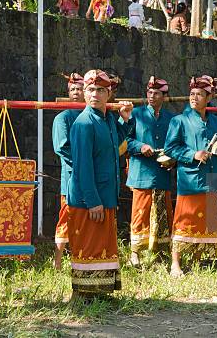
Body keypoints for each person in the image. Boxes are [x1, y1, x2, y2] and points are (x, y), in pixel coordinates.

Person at [66, 69, 133, 298]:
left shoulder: (108, 120)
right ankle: (83, 296)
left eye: (100, 90)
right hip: (89, 199)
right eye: (90, 90)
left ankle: (100, 293)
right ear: (84, 93)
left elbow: (115, 143)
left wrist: (125, 118)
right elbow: (82, 166)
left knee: (102, 246)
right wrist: (92, 201)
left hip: (106, 194)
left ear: (109, 93)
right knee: (89, 247)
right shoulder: (83, 123)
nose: (95, 94)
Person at [164, 75, 217, 277]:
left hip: (213, 177)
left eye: (199, 94)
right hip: (191, 178)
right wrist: (193, 154)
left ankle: (198, 260)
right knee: (184, 220)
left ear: (208, 98)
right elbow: (170, 148)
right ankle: (175, 264)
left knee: (208, 221)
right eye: (192, 94)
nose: (194, 97)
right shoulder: (180, 121)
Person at [126, 76, 175, 265]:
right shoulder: (135, 114)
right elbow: (126, 141)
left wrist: (173, 160)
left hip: (162, 171)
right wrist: (140, 146)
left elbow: (175, 143)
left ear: (164, 96)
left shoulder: (171, 118)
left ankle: (161, 252)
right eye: (149, 92)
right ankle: (135, 253)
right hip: (141, 173)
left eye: (156, 93)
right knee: (140, 213)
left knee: (163, 213)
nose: (152, 96)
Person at [51, 73, 84, 270]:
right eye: (72, 89)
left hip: (92, 178)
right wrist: (84, 164)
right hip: (71, 176)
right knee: (66, 217)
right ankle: (57, 260)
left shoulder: (94, 115)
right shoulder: (62, 118)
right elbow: (62, 147)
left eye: (79, 89)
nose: (75, 93)